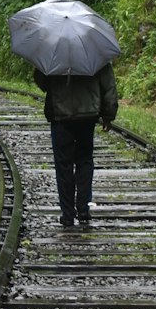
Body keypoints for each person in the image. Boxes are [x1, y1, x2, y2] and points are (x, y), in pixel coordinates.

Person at [34, 61, 118, 227]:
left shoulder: (53, 53)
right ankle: (83, 209)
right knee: (84, 160)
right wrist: (108, 114)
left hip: (60, 115)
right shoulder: (95, 52)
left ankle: (67, 213)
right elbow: (108, 86)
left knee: (63, 164)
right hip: (87, 115)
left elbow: (42, 82)